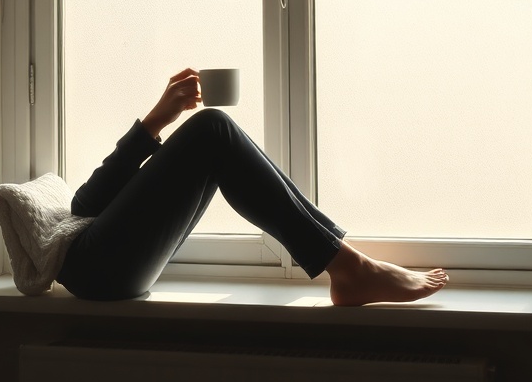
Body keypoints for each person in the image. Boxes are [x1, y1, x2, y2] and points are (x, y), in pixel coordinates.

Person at [56, 69, 449, 305]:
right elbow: (82, 209)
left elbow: (85, 204)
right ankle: (351, 267)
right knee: (213, 127)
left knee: (215, 134)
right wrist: (153, 122)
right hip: (96, 272)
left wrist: (154, 124)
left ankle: (350, 265)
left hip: (103, 269)